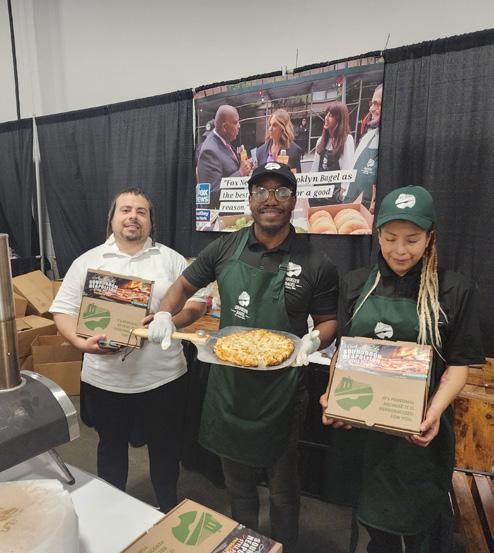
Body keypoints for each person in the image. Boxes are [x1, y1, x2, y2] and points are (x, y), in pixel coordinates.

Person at [147, 163, 338, 552]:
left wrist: (314, 340)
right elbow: (182, 286)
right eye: (261, 191)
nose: (271, 200)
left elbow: (328, 321)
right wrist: (165, 312)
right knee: (238, 487)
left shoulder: (316, 261)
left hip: (282, 393)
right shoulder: (224, 248)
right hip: (230, 389)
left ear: (293, 200)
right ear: (250, 200)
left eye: (281, 192)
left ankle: (284, 546)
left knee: (284, 489)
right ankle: (245, 544)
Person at [321, 185, 484, 552]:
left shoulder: (453, 290)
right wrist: (335, 395)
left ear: (430, 237)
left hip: (418, 436)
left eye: (412, 239)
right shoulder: (356, 284)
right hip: (365, 434)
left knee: (419, 528)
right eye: (390, 238)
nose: (400, 250)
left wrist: (434, 412)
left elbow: (458, 367)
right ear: (377, 234)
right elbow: (344, 352)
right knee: (376, 528)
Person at [50, 188, 206, 513]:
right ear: (112, 219)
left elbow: (198, 303)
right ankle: (113, 514)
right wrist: (80, 343)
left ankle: (167, 508)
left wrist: (170, 319)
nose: (133, 216)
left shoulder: (171, 259)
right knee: (110, 449)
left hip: (164, 378)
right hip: (106, 380)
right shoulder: (88, 261)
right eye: (125, 210)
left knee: (166, 451)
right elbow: (62, 311)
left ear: (150, 222)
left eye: (141, 211)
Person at [197, 105, 253, 208]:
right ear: (224, 127)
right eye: (235, 123)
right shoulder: (209, 151)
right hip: (221, 215)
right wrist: (240, 173)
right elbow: (212, 194)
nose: (239, 126)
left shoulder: (224, 142)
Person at [344, 84, 382, 211]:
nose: (371, 109)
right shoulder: (367, 138)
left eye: (377, 104)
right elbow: (351, 174)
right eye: (372, 104)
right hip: (353, 211)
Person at [310, 101, 355, 206]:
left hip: (334, 197)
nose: (326, 118)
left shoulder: (346, 140)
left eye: (330, 116)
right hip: (318, 195)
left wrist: (342, 194)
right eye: (326, 114)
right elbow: (315, 168)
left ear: (339, 119)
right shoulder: (321, 140)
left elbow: (347, 169)